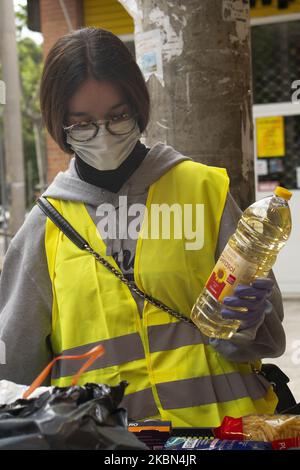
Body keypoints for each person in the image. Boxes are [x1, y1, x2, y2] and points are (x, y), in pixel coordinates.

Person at [0, 27, 285, 427]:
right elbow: (14, 374)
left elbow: (265, 333)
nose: (103, 135)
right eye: (82, 124)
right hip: (107, 443)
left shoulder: (203, 191)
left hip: (224, 434)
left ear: (138, 106)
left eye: (118, 117)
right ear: (58, 123)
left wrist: (247, 321)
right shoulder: (44, 227)